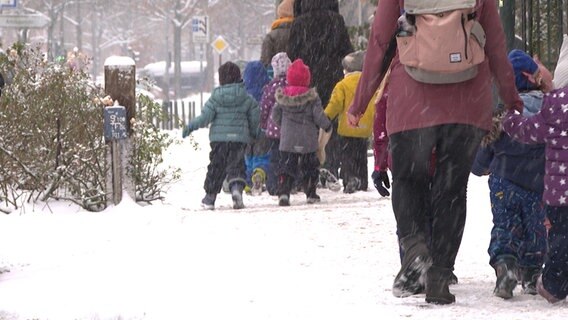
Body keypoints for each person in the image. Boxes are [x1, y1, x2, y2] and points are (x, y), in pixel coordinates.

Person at [347, 0, 523, 305]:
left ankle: (416, 249)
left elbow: (380, 41)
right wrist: (511, 99)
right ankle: (440, 278)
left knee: (408, 180)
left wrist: (360, 100)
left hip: (412, 100)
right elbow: (495, 43)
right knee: (451, 189)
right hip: (467, 100)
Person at [471, 49, 551, 299]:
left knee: (505, 226)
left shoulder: (501, 115)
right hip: (538, 185)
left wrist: (481, 165)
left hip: (503, 182)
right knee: (536, 229)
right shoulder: (549, 112)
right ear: (531, 78)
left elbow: (482, 157)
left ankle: (505, 265)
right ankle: (532, 272)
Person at [502, 34, 568, 304]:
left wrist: (508, 119)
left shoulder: (555, 105)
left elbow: (528, 131)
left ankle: (553, 284)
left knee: (561, 239)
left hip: (558, 193)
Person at [287, 0, 353, 185]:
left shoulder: (299, 23)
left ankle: (307, 170)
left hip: (307, 81)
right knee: (328, 122)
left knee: (308, 122)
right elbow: (346, 51)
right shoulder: (336, 20)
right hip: (332, 79)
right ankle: (329, 165)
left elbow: (292, 53)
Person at [182, 61, 260, 210]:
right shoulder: (246, 98)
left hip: (219, 141)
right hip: (238, 140)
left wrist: (190, 126)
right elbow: (255, 118)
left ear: (221, 79)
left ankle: (210, 198)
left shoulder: (215, 98)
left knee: (216, 167)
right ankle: (236, 189)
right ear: (238, 77)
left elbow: (204, 118)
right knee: (237, 166)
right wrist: (255, 133)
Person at [271, 58, 332, 206]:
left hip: (288, 141)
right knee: (310, 167)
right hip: (307, 140)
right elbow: (319, 116)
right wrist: (327, 125)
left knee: (286, 167)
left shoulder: (283, 96)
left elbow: (275, 115)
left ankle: (284, 192)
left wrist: (283, 126)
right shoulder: (312, 98)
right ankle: (311, 192)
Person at [324, 50, 374, 193]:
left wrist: (326, 116)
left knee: (347, 157)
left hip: (347, 127)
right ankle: (362, 181)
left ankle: (349, 178)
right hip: (364, 128)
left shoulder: (342, 85)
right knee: (361, 156)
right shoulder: (369, 84)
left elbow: (335, 104)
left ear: (347, 70)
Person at [259, 52, 292, 196]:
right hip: (290, 129)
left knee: (274, 158)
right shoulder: (292, 86)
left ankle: (273, 185)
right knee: (289, 158)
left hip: (273, 130)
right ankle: (288, 182)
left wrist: (263, 123)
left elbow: (264, 107)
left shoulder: (271, 87)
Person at [242, 60, 271, 195]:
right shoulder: (267, 92)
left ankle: (248, 183)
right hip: (263, 129)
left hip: (246, 131)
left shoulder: (243, 93)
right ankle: (259, 173)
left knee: (248, 157)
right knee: (262, 156)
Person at [260, 0, 295, 72]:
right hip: (297, 79)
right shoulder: (301, 33)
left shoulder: (271, 36)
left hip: (276, 79)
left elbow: (265, 62)